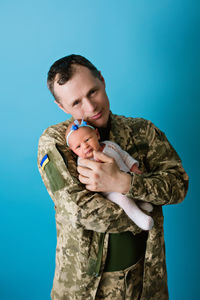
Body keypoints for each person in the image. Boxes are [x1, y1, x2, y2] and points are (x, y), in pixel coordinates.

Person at [37, 54, 189, 300]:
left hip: (145, 281)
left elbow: (178, 185)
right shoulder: (55, 143)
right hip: (84, 288)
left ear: (103, 81)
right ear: (62, 107)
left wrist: (124, 182)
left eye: (93, 92)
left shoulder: (143, 131)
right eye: (76, 102)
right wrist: (145, 213)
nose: (91, 107)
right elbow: (81, 211)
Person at [65, 118, 154, 231]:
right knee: (123, 199)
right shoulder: (83, 162)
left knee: (137, 185)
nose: (85, 146)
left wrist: (133, 167)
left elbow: (124, 156)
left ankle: (140, 203)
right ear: (73, 150)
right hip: (109, 191)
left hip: (127, 178)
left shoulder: (110, 145)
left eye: (87, 139)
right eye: (78, 147)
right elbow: (87, 179)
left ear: (97, 134)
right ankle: (140, 218)